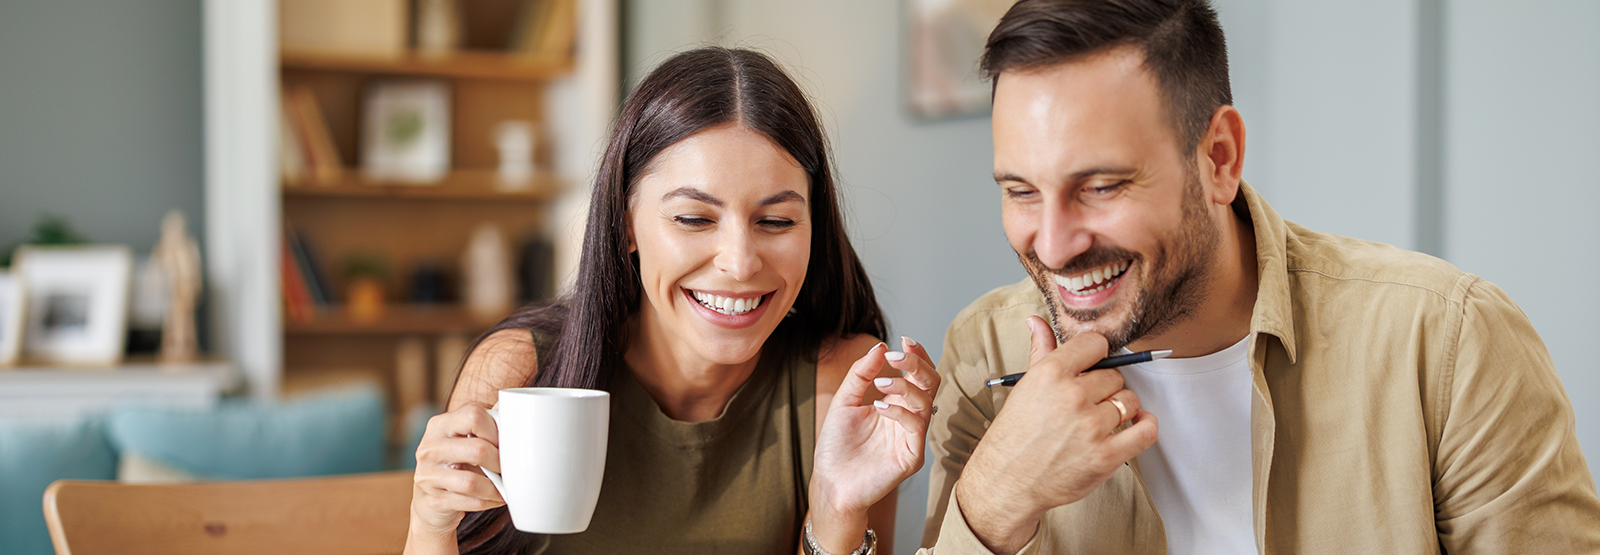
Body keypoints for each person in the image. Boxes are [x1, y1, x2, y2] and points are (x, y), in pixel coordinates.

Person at [919, 1, 1600, 554]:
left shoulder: (1449, 342)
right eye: (1021, 192)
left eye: (1100, 186)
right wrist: (993, 503)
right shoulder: (986, 355)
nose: (1055, 243)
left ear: (1220, 156)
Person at [405, 47, 940, 555]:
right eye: (693, 219)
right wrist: (430, 524)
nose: (740, 262)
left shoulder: (841, 385)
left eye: (776, 221)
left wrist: (836, 508)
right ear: (626, 224)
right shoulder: (521, 369)